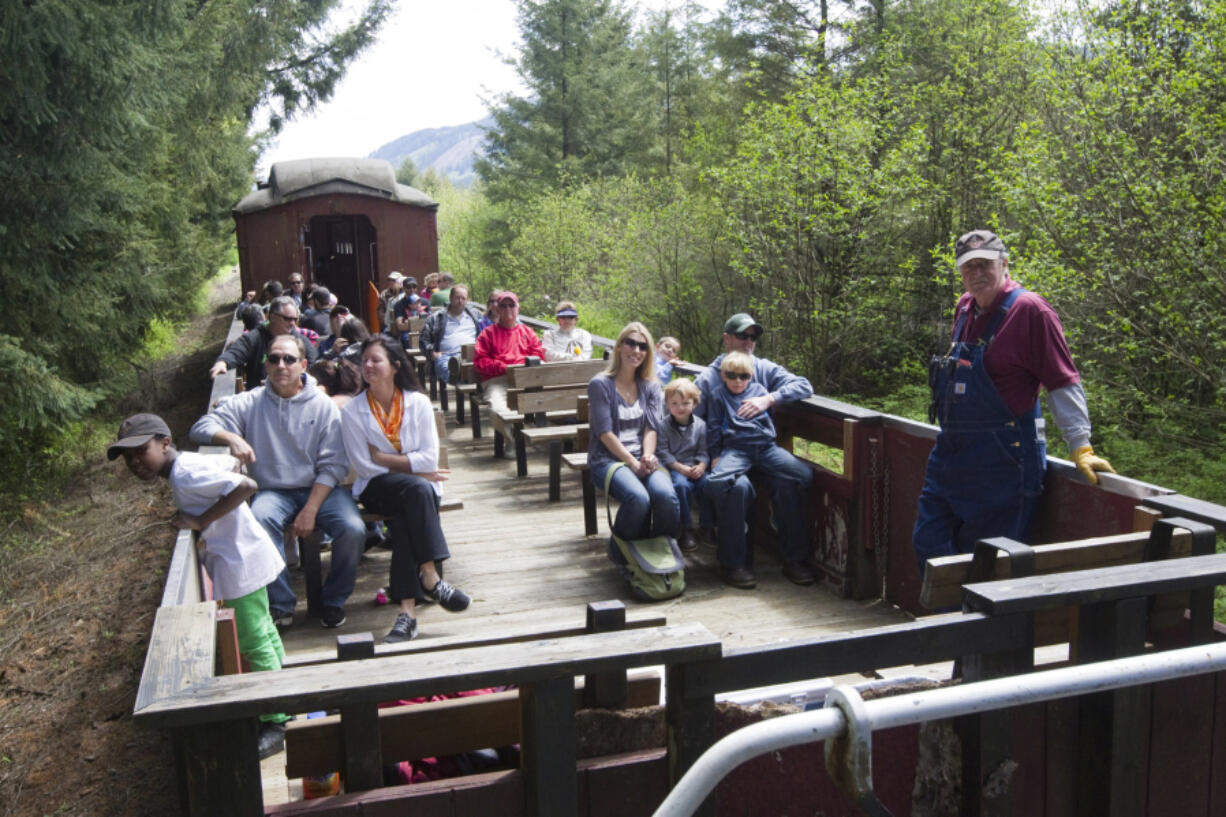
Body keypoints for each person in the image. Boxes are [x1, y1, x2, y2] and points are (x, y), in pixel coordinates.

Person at [913, 230, 1116, 570]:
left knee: (987, 565)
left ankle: (966, 624)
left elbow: (1062, 381)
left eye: (985, 265)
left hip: (1003, 462)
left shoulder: (1030, 311)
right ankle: (945, 620)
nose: (977, 274)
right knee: (928, 543)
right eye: (968, 267)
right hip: (952, 456)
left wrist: (1080, 444)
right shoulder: (965, 307)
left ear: (1004, 264)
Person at [108, 413, 289, 759]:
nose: (136, 463)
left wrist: (202, 521)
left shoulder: (187, 472)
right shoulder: (184, 469)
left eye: (141, 451)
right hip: (241, 557)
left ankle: (276, 720)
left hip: (240, 562)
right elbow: (235, 474)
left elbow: (247, 486)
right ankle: (286, 692)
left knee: (252, 641)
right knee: (263, 631)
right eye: (129, 458)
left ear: (164, 443)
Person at [192, 334, 366, 629]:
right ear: (266, 364)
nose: (281, 365)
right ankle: (281, 604)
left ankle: (333, 601)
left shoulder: (323, 406)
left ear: (303, 365)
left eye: (289, 359)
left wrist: (311, 508)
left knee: (353, 529)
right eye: (273, 358)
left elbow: (334, 465)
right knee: (258, 521)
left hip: (321, 489)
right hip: (273, 491)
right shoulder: (251, 402)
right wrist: (231, 436)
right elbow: (201, 426)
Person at [340, 336, 471, 643]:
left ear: (395, 366)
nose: (368, 366)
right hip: (377, 487)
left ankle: (407, 615)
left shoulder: (418, 403)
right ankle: (432, 577)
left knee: (403, 518)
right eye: (365, 361)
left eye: (376, 360)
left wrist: (385, 457)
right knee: (417, 490)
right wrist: (413, 468)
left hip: (417, 491)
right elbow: (366, 466)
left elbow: (430, 457)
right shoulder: (353, 411)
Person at [694, 312, 816, 586]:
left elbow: (804, 385)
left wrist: (769, 399)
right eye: (742, 335)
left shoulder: (762, 370)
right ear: (726, 338)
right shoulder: (707, 380)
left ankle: (794, 559)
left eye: (753, 336)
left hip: (763, 452)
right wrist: (710, 458)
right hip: (729, 455)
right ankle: (733, 564)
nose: (749, 341)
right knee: (738, 489)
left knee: (790, 482)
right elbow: (696, 426)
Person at [587, 322, 680, 545]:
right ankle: (621, 552)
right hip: (607, 460)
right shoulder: (600, 384)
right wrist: (631, 462)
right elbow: (604, 432)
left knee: (667, 497)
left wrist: (647, 456)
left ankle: (657, 551)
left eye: (642, 346)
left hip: (642, 456)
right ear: (619, 346)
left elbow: (651, 428)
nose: (636, 350)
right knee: (638, 499)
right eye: (630, 343)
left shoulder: (651, 386)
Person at [209, 295, 319, 384]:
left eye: (295, 319)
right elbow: (236, 351)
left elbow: (313, 358)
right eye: (287, 319)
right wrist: (223, 362)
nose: (292, 324)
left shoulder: (298, 338)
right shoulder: (256, 337)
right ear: (272, 317)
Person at [657, 378, 709, 552]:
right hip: (675, 467)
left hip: (695, 466)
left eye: (685, 403)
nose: (680, 408)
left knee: (707, 484)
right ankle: (686, 528)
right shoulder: (663, 426)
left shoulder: (701, 426)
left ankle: (707, 525)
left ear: (694, 404)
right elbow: (663, 452)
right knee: (681, 485)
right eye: (674, 403)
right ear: (667, 404)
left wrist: (701, 466)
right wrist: (680, 468)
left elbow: (704, 450)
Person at [473, 291, 546, 413]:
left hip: (526, 379)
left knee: (551, 402)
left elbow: (537, 356)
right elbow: (480, 362)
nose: (508, 308)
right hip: (497, 381)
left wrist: (521, 367)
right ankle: (512, 432)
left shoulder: (528, 332)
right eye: (503, 305)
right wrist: (506, 368)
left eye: (511, 305)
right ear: (497, 309)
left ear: (518, 308)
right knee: (498, 410)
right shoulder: (487, 334)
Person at [419, 284, 483, 384]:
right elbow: (423, 339)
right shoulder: (437, 317)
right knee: (445, 366)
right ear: (450, 298)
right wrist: (432, 353)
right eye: (457, 298)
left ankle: (460, 377)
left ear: (467, 300)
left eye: (463, 298)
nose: (460, 301)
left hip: (471, 356)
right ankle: (457, 377)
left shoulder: (475, 316)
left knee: (480, 367)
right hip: (446, 356)